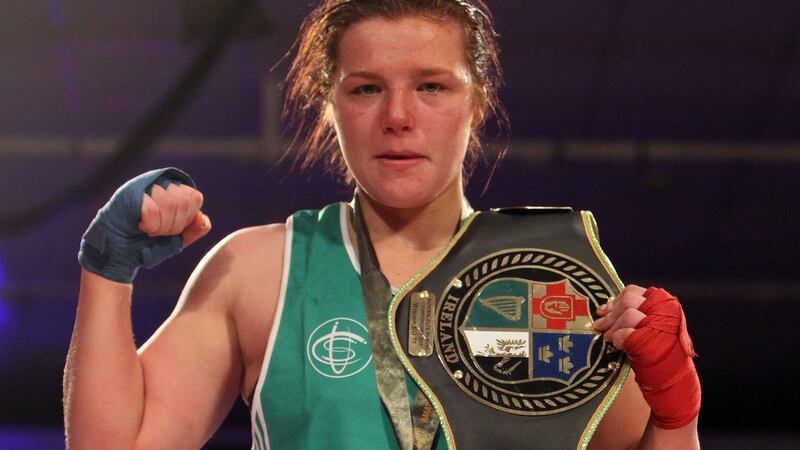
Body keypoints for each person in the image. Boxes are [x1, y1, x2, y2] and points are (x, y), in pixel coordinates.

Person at [63, 1, 701, 448]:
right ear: (330, 104)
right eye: (366, 88)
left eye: (431, 86)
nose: (398, 116)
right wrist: (106, 266)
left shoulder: (545, 280)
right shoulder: (263, 271)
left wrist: (675, 410)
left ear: (476, 101)